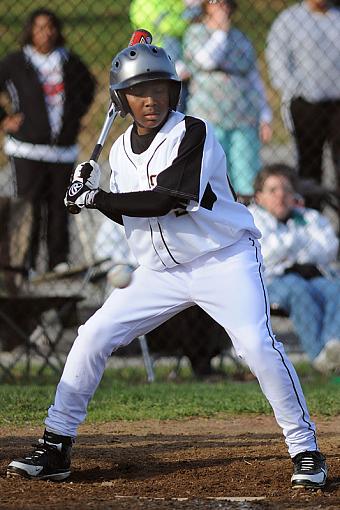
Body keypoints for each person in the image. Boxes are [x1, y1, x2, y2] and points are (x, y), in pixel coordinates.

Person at [7, 42, 327, 490]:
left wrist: (97, 197)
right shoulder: (117, 153)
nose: (151, 99)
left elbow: (172, 198)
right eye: (139, 91)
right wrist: (90, 195)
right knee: (93, 335)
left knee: (255, 344)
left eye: (159, 88)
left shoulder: (193, 132)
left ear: (173, 92)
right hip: (161, 272)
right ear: (122, 100)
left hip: (223, 259)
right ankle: (55, 445)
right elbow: (131, 211)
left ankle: (306, 449)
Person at [0, 8, 96, 274]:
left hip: (61, 151)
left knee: (60, 207)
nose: (46, 33)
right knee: (29, 208)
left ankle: (58, 262)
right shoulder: (16, 62)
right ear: (30, 31)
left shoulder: (69, 61)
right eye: (40, 27)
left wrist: (74, 116)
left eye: (50, 27)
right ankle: (25, 264)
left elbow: (88, 88)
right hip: (27, 148)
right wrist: (4, 119)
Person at [248, 163, 340, 374]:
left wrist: (288, 248)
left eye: (286, 190)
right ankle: (320, 358)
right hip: (273, 281)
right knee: (299, 290)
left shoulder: (309, 217)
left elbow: (329, 248)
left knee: (336, 289)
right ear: (259, 197)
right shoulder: (253, 218)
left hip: (314, 276)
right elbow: (264, 255)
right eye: (273, 190)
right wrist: (297, 242)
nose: (281, 195)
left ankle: (333, 346)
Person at [182, 0, 272, 197]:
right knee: (215, 176)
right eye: (215, 2)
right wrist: (221, 32)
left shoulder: (241, 38)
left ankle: (247, 217)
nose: (222, 7)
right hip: (209, 118)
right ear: (206, 6)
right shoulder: (195, 34)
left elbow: (254, 78)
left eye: (226, 3)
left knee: (247, 178)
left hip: (244, 117)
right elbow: (206, 60)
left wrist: (265, 115)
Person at [266, 0, 340, 192]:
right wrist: (297, 89)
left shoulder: (336, 16)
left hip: (338, 103)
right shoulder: (289, 20)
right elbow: (277, 60)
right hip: (306, 103)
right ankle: (311, 215)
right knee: (309, 164)